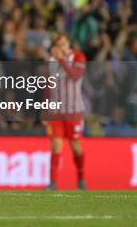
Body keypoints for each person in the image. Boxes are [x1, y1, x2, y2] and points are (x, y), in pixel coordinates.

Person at [45, 33, 87, 190]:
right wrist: (45, 109)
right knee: (56, 145)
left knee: (75, 146)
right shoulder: (50, 62)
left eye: (63, 43)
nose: (60, 47)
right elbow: (48, 87)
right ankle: (52, 182)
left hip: (74, 111)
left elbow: (75, 76)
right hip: (56, 111)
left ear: (68, 43)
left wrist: (61, 60)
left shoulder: (78, 56)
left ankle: (81, 179)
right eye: (57, 44)